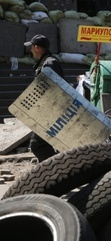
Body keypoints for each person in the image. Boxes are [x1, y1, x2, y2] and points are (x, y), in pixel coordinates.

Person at [24, 34, 65, 162]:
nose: (30, 51)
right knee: (44, 144)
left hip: (51, 111)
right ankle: (54, 170)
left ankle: (56, 171)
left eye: (31, 48)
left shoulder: (50, 63)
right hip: (48, 111)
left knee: (38, 145)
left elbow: (54, 89)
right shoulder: (47, 62)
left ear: (36, 47)